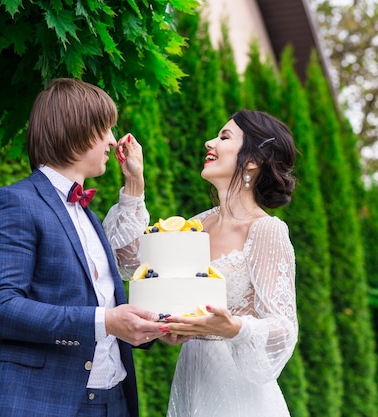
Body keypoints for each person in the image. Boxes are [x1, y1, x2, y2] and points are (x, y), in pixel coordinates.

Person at [0, 78, 164, 417]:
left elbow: (105, 302)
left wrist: (155, 329)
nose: (111, 140)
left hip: (115, 402)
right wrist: (104, 321)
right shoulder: (12, 202)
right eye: (104, 128)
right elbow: (1, 308)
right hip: (45, 403)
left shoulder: (88, 216)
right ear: (75, 129)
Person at [105, 109, 299, 417]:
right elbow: (128, 263)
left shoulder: (266, 230)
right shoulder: (197, 225)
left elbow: (283, 328)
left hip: (239, 390)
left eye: (224, 137)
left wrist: (232, 328)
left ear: (252, 160)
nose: (210, 142)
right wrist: (134, 182)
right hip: (192, 376)